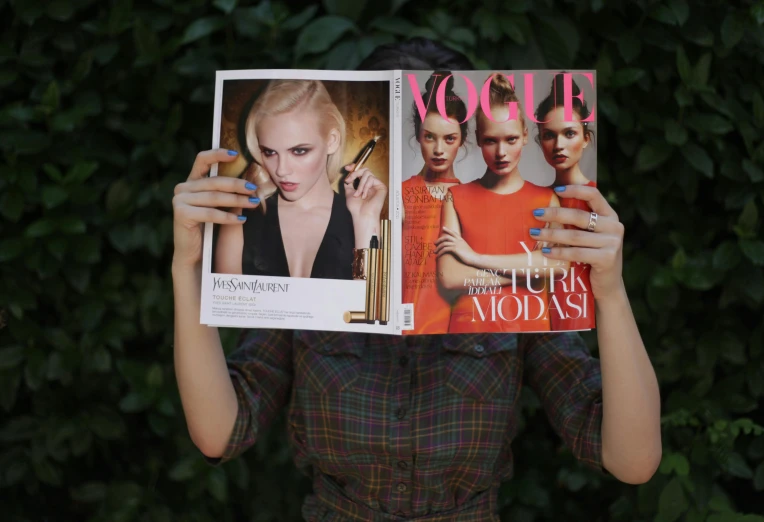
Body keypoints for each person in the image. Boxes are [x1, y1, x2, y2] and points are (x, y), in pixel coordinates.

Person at [171, 38, 661, 522]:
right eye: (427, 138)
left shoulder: (510, 259)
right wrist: (187, 267)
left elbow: (632, 460)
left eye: (451, 139)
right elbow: (220, 432)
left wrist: (611, 294)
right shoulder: (317, 261)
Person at [213, 79, 387, 279]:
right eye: (269, 152)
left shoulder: (362, 220)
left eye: (299, 151)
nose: (281, 170)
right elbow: (223, 309)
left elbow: (371, 309)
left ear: (331, 141)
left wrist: (365, 223)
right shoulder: (241, 218)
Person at [435, 73, 563, 333]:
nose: (501, 152)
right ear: (479, 140)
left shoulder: (547, 199)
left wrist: (474, 257)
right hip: (468, 333)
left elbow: (558, 267)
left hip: (530, 332)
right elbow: (449, 278)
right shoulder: (456, 197)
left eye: (511, 139)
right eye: (491, 141)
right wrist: (528, 274)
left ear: (525, 135)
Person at [401, 71, 468, 334]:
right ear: (418, 136)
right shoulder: (399, 193)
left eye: (449, 138)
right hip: (408, 325)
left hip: (462, 331)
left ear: (462, 139)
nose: (439, 149)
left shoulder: (473, 198)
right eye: (430, 137)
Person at [534, 74, 597, 330]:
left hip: (583, 320)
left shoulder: (597, 203)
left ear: (586, 138)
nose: (558, 145)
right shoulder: (534, 198)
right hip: (532, 319)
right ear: (539, 141)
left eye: (569, 133)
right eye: (549, 135)